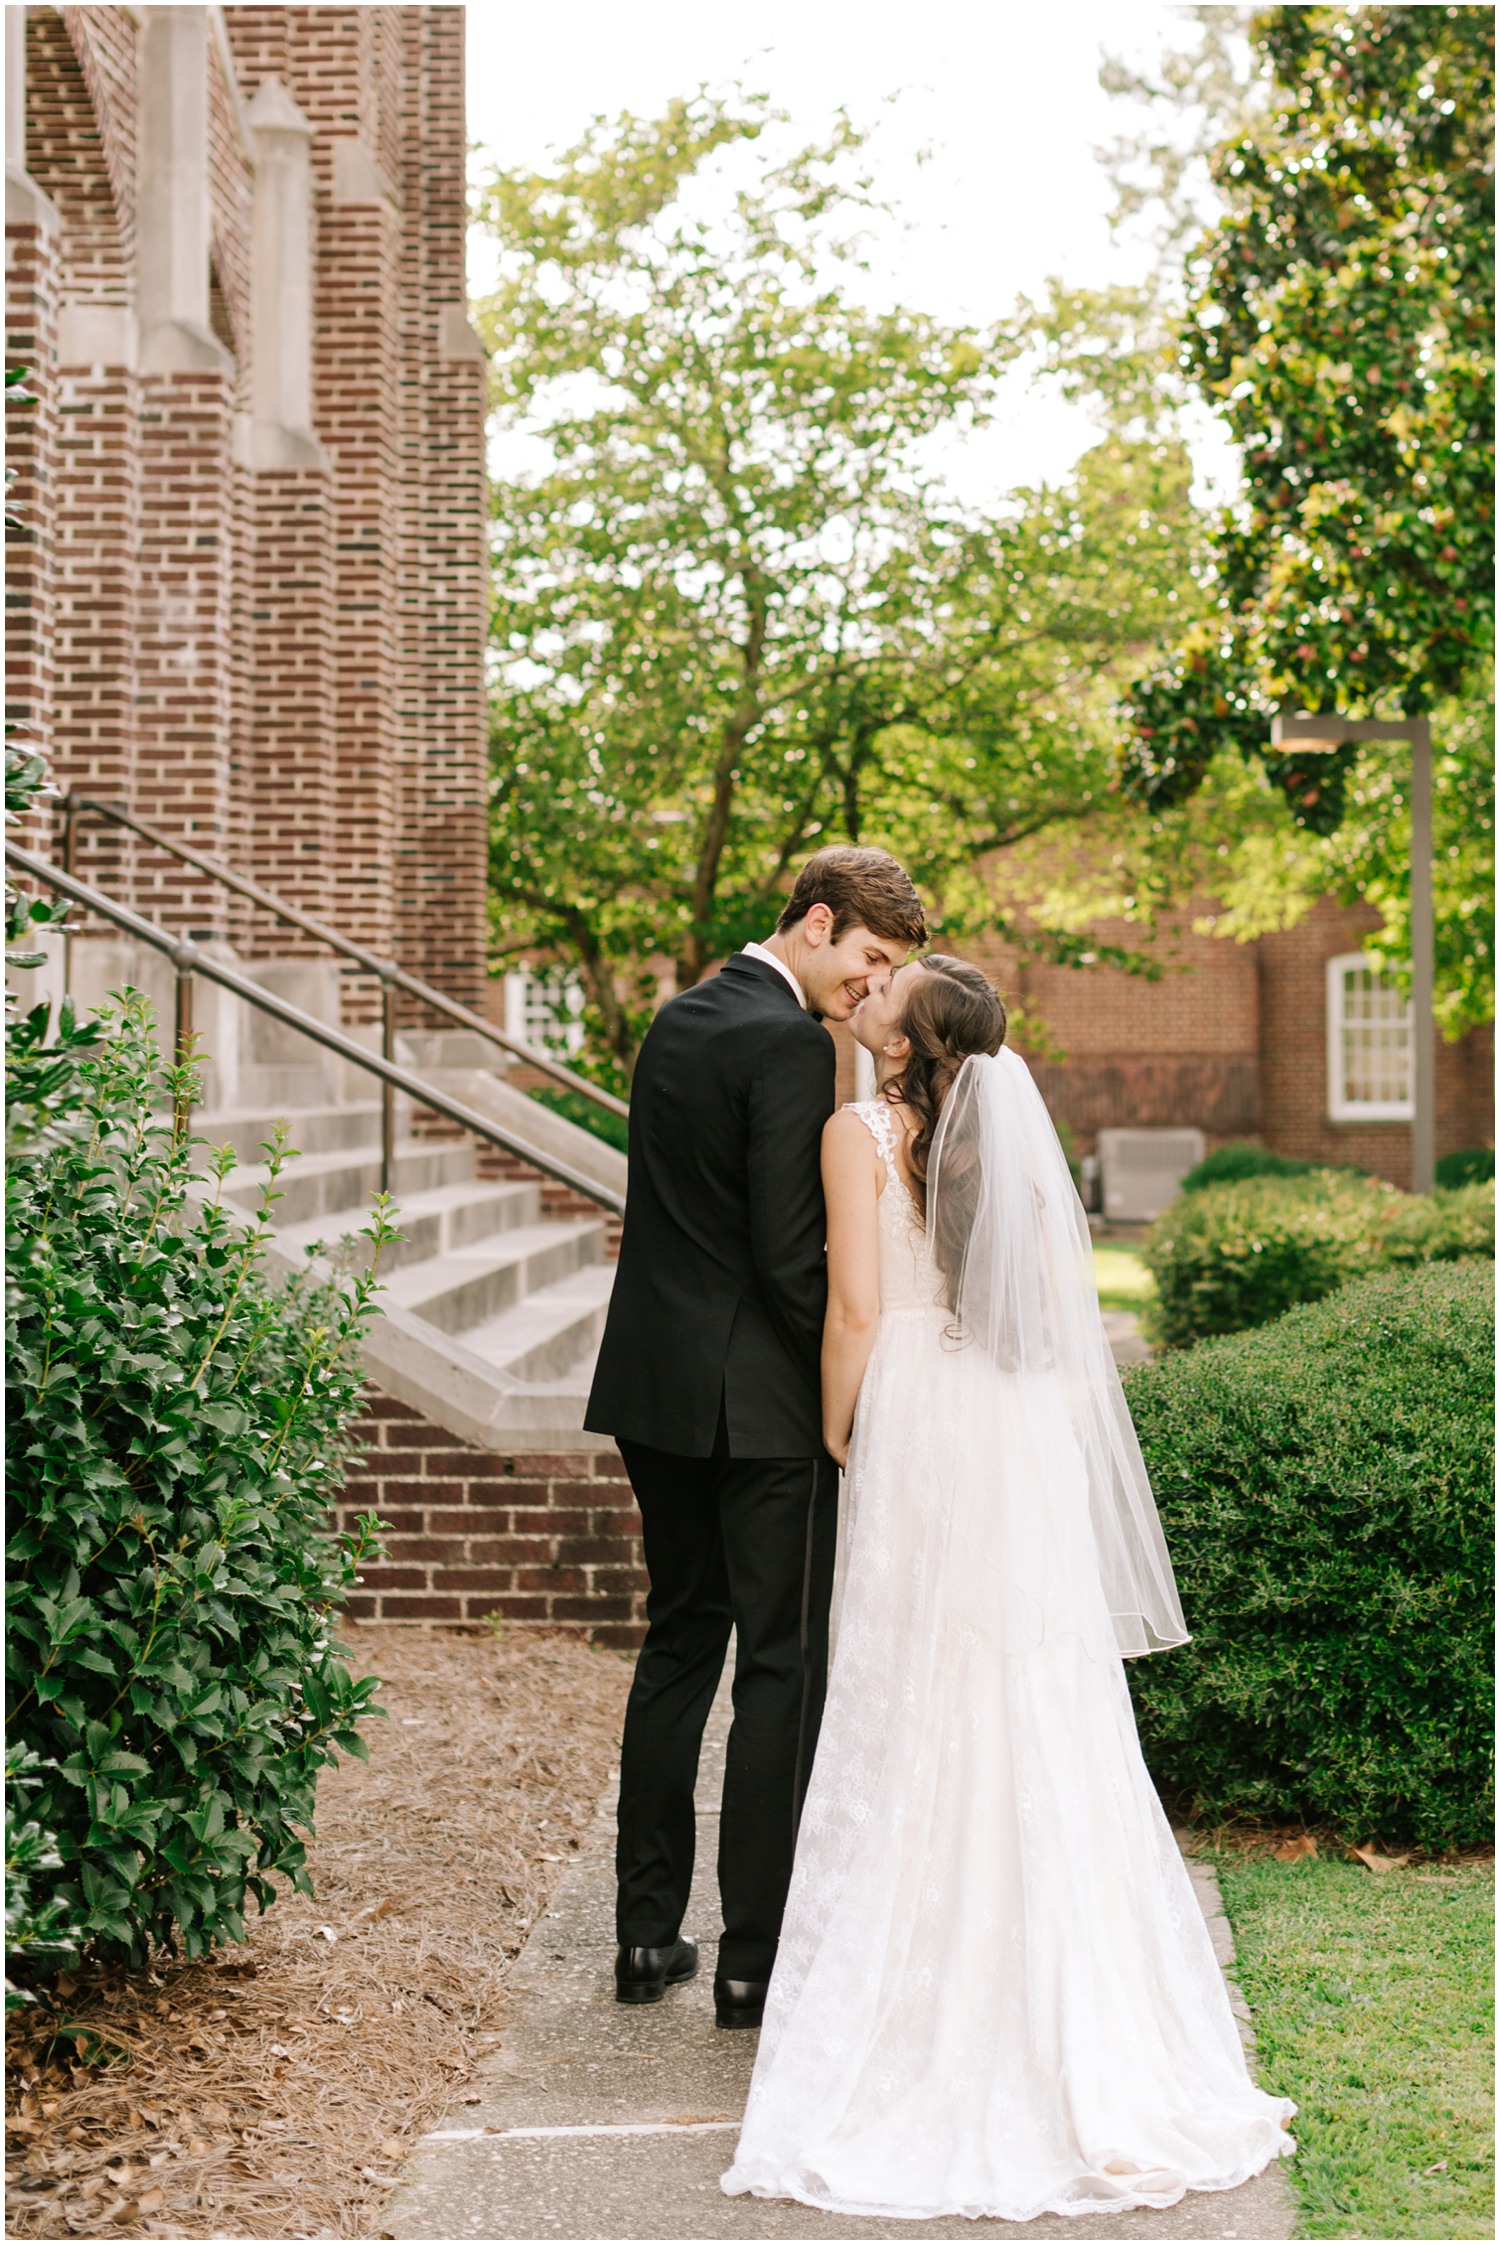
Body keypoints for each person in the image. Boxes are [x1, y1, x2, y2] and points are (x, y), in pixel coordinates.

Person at [722, 954, 1297, 2220]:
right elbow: (1034, 1304)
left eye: (888, 991)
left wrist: (837, 1428)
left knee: (914, 1681)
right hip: (1010, 1416)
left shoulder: (858, 1130)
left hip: (922, 1415)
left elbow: (858, 1312)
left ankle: (920, 1991)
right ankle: (1076, 2005)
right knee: (1028, 1675)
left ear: (907, 1037)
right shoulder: (1005, 1136)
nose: (866, 994)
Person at [585, 847, 927, 2030]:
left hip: (651, 1389)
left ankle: (641, 1936)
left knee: (678, 1645)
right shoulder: (793, 1042)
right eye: (869, 961)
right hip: (760, 1406)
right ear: (818, 922)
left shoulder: (675, 1019)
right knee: (776, 1660)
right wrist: (851, 1389)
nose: (868, 990)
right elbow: (791, 1258)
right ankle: (752, 1955)